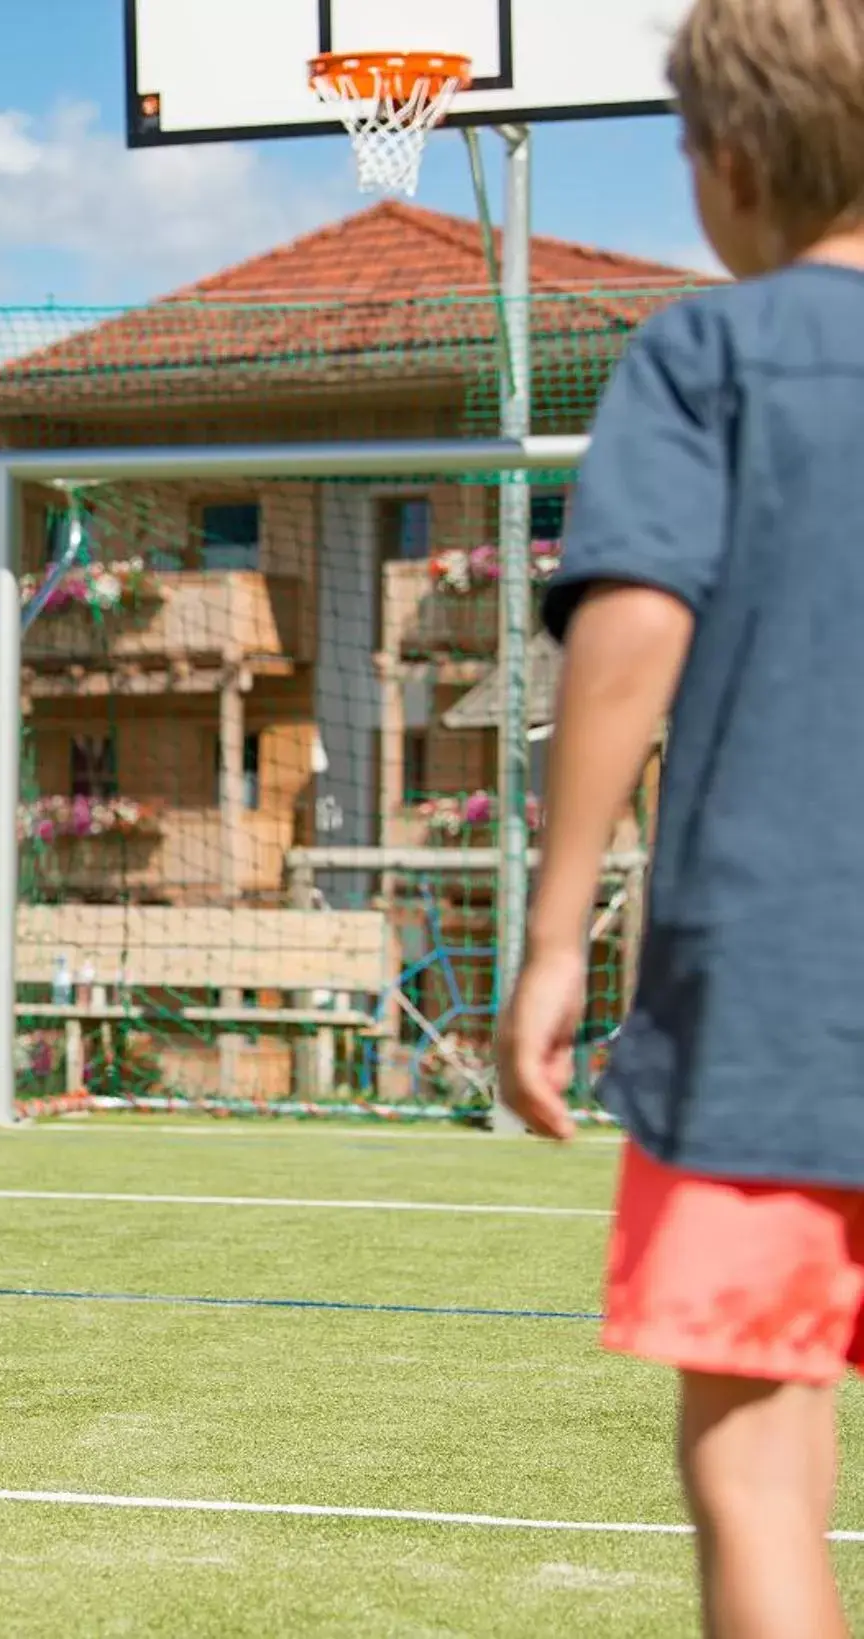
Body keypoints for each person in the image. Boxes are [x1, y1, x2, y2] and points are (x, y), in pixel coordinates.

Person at [497, 3, 864, 1633]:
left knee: (757, 1452)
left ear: (717, 164)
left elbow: (628, 626)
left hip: (776, 990)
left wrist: (551, 925)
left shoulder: (706, 349)